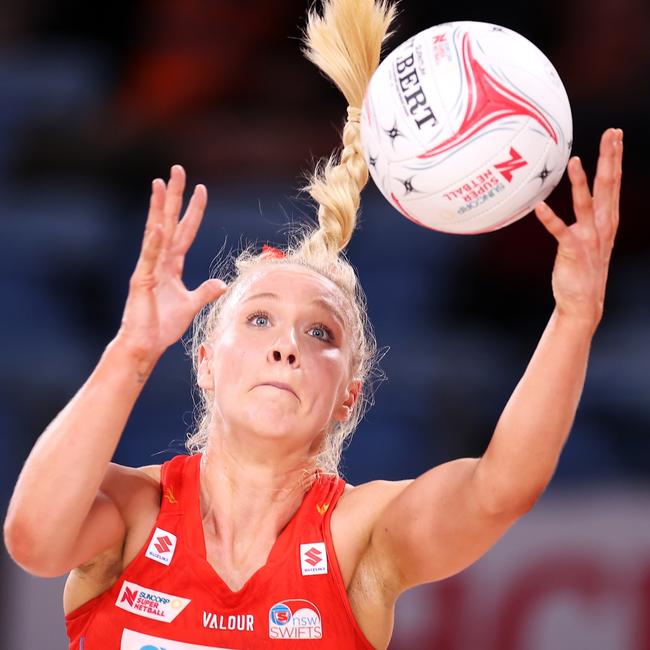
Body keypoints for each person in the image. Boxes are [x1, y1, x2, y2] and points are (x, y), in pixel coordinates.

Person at [3, 0, 623, 648]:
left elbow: (501, 491)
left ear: (348, 394)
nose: (286, 349)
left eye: (320, 333)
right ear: (207, 362)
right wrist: (130, 352)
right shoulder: (134, 510)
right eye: (260, 320)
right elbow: (34, 542)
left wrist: (575, 317)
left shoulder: (358, 537)